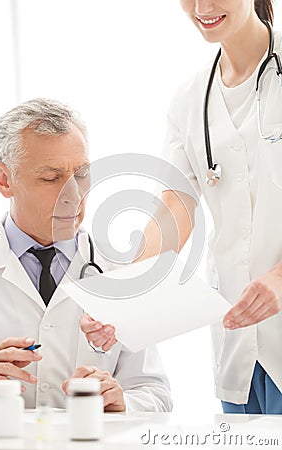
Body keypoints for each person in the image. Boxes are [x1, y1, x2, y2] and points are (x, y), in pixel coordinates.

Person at [81, 0, 282, 414]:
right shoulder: (190, 100)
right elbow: (175, 209)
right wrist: (124, 298)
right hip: (238, 343)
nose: (202, 7)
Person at [0, 98, 172, 412]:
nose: (74, 196)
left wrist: (121, 401)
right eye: (51, 178)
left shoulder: (120, 271)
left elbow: (154, 394)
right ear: (3, 180)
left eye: (81, 175)